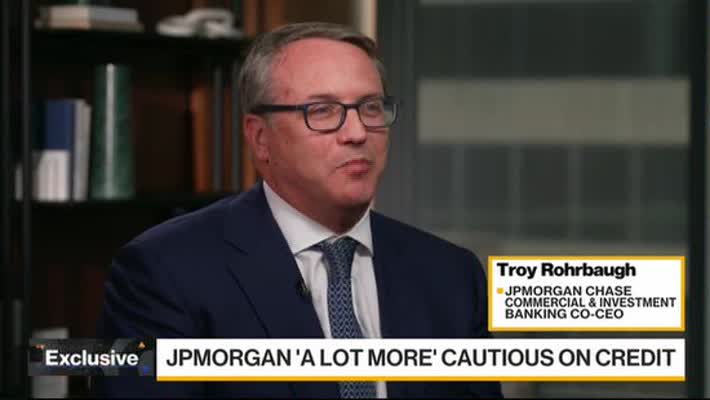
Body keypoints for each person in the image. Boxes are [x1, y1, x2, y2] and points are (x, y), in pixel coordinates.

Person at [94, 22, 502, 398]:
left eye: (371, 108)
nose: (358, 132)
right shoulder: (164, 272)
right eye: (322, 111)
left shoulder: (451, 275)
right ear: (260, 138)